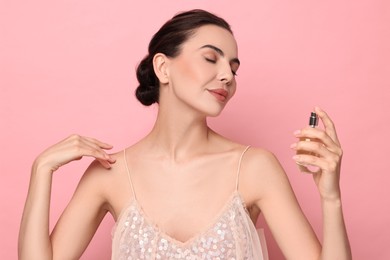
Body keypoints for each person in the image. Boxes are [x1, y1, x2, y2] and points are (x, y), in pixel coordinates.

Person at [18, 9, 352, 260]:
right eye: (211, 58)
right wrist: (41, 170)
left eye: (234, 69)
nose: (227, 76)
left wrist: (331, 198)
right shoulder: (110, 173)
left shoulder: (255, 168)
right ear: (163, 68)